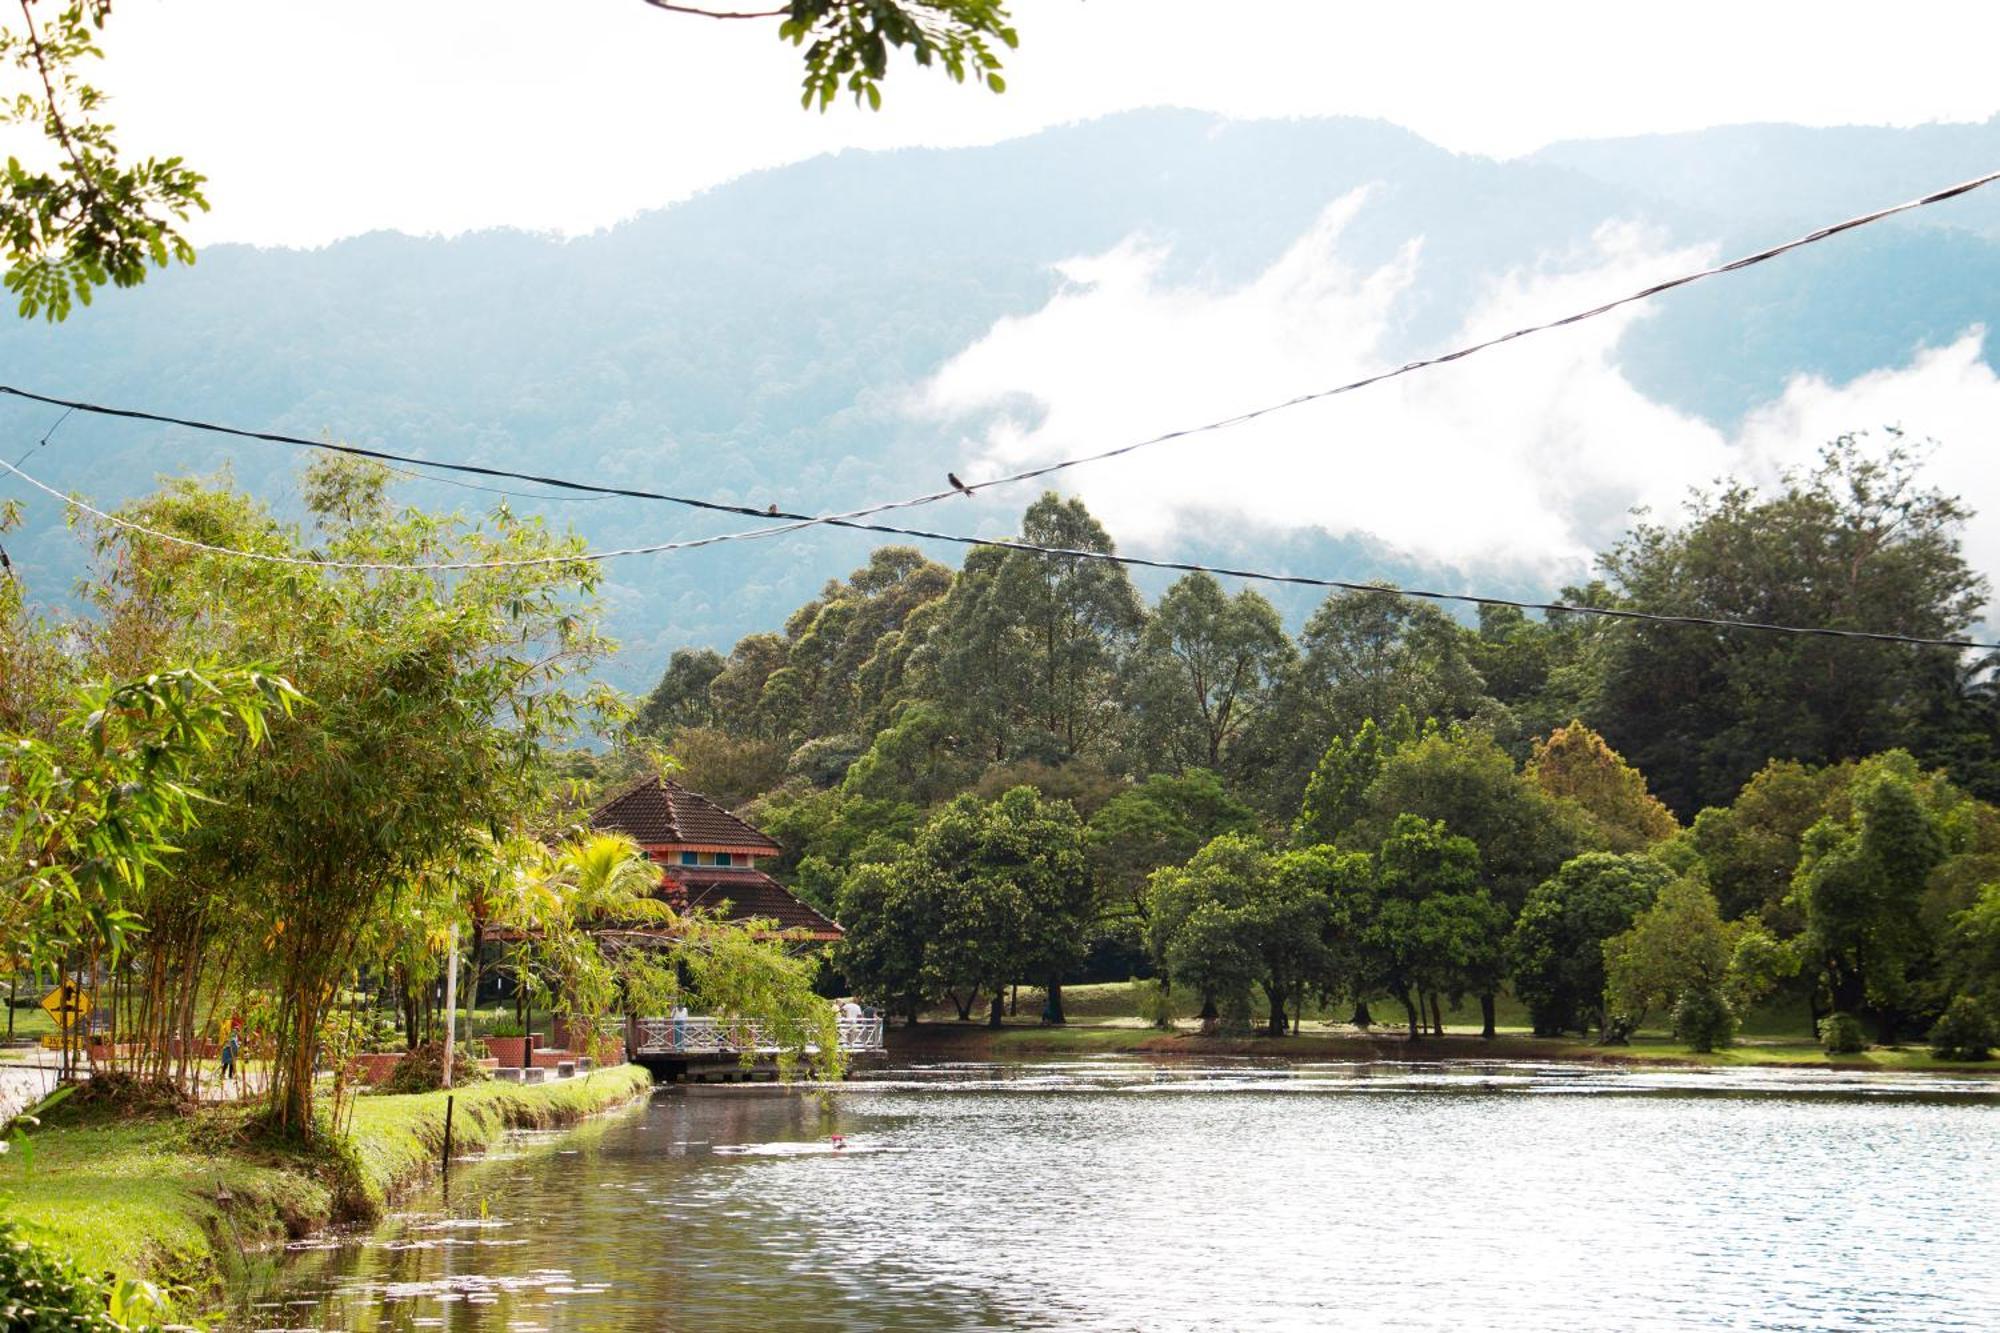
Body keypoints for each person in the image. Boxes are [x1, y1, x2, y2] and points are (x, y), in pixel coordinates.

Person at [219, 1021, 240, 1086]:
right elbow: (233, 1043)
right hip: (227, 1051)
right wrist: (237, 1048)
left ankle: (229, 1075)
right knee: (226, 1063)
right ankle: (223, 1075)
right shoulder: (233, 1035)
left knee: (230, 1063)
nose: (237, 1032)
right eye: (237, 1030)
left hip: (230, 1051)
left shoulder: (234, 1035)